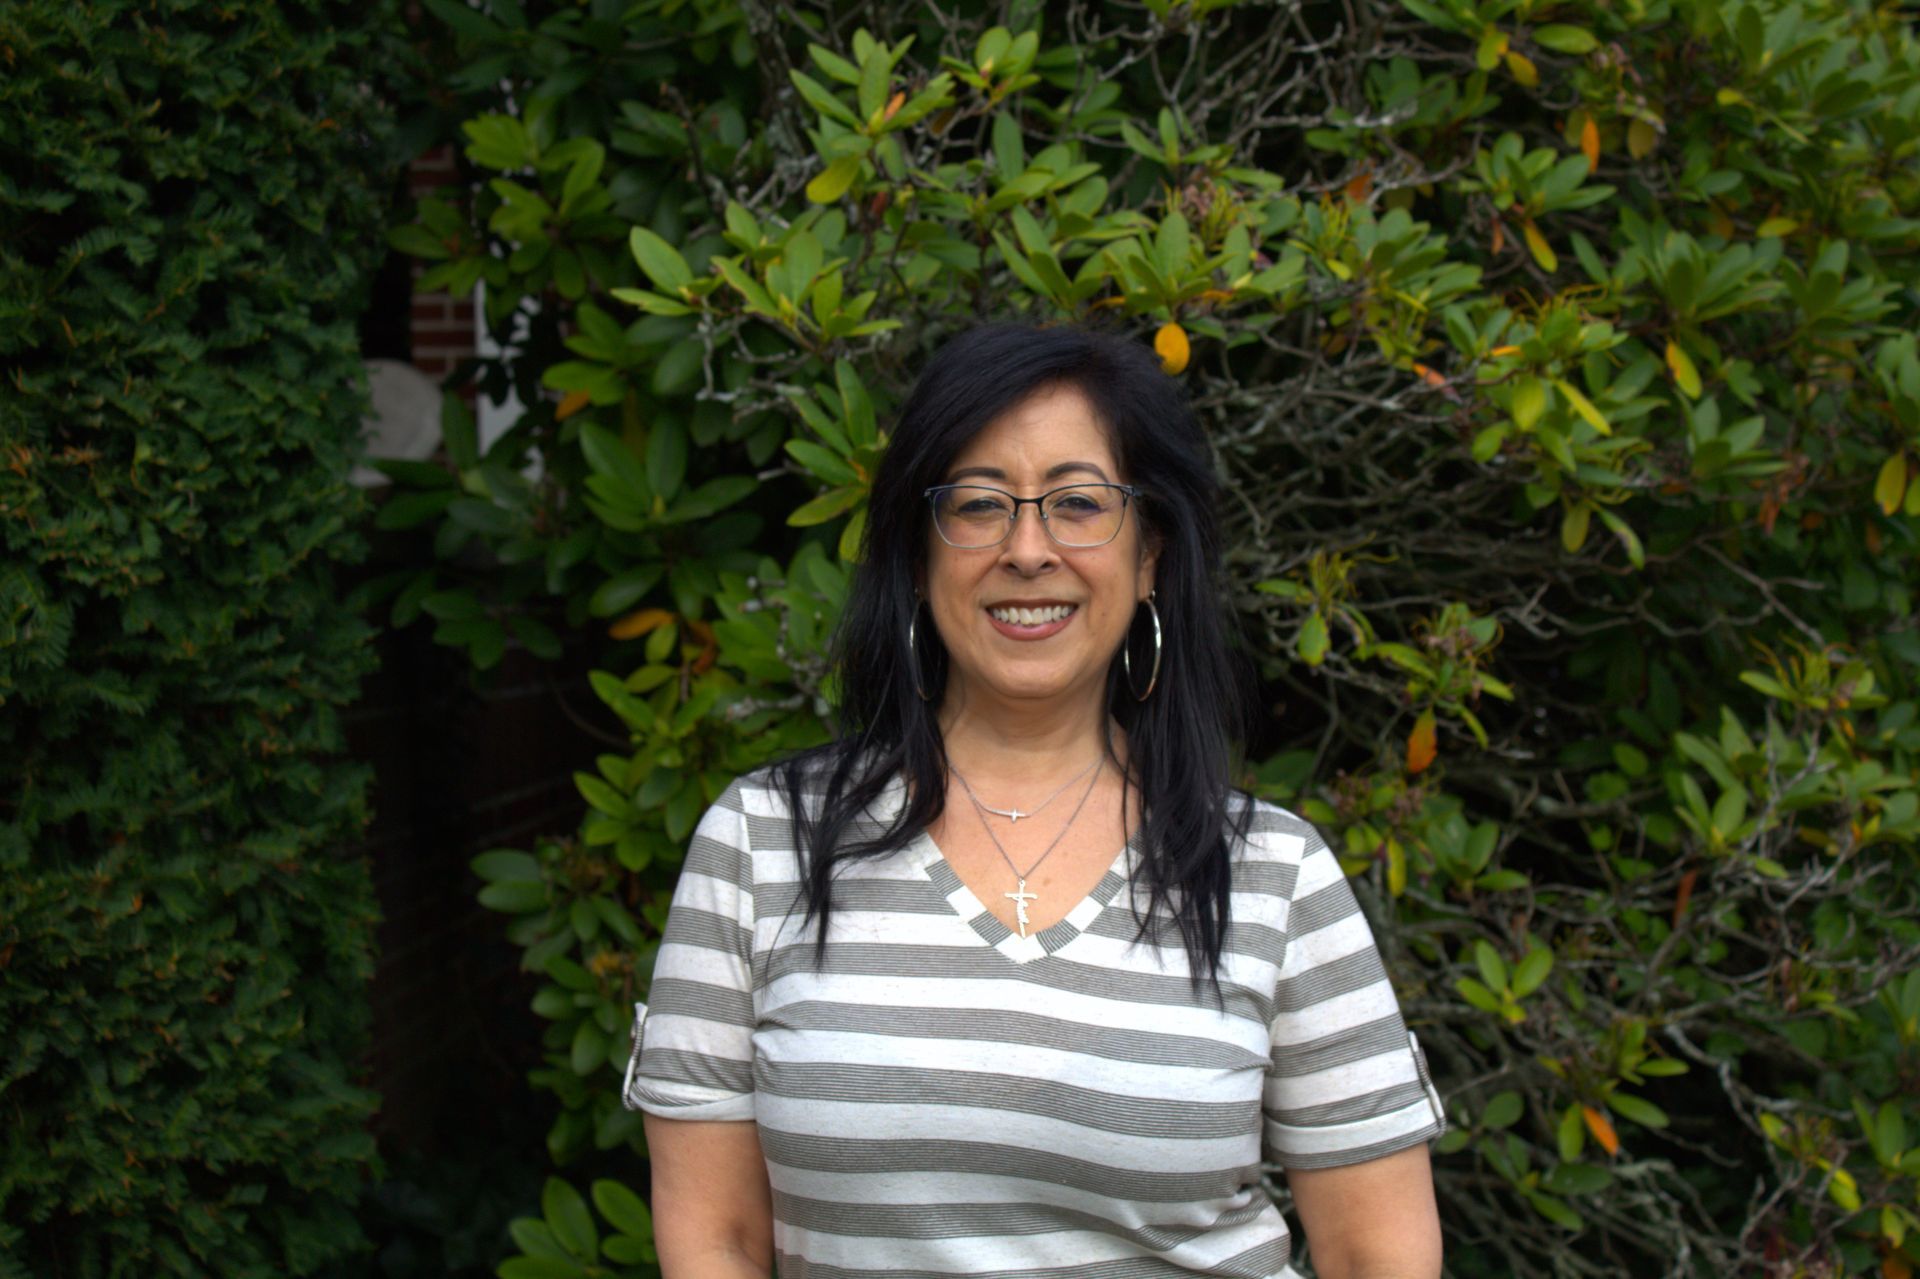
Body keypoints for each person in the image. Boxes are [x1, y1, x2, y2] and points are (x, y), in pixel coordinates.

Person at [622, 322, 1448, 1278]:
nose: (1027, 549)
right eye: (978, 505)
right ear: (919, 552)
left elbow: (1378, 1252)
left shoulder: (1272, 873)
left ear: (1149, 559)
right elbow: (715, 1241)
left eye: (1078, 503)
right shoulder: (764, 845)